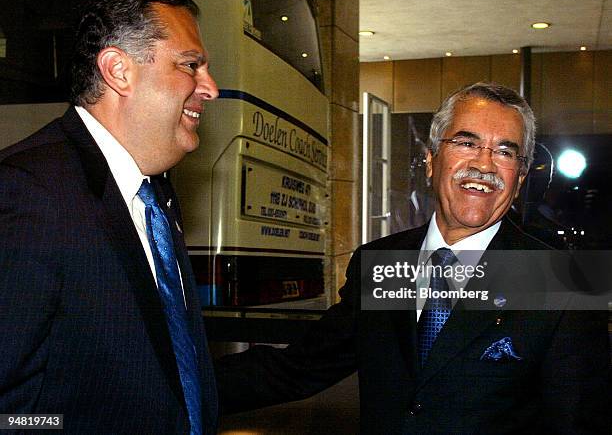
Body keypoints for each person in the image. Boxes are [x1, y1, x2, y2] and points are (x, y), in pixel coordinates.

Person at [216, 83, 610, 434]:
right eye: (466, 142)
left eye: (505, 151)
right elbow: (298, 369)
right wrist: (172, 383)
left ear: (520, 176)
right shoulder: (382, 264)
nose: (484, 164)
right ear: (431, 159)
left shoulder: (563, 283)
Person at [0, 0, 219, 434]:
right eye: (191, 65)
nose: (210, 89)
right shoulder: (29, 192)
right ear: (119, 70)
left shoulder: (154, 197)